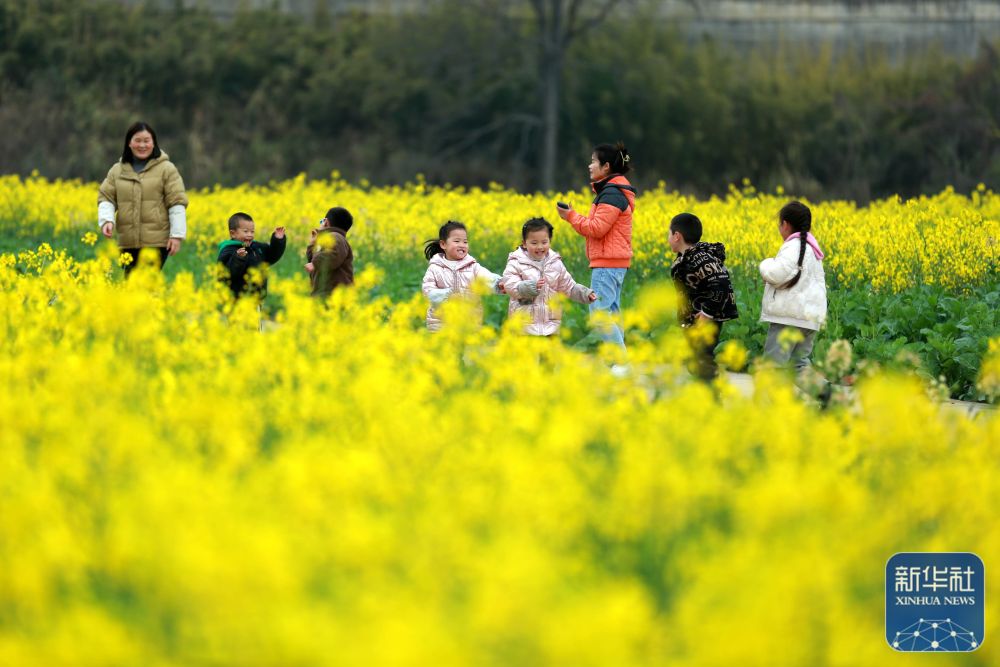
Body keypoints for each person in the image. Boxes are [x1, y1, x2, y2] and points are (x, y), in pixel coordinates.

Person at [555, 141, 636, 351]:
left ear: (606, 166)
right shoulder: (614, 192)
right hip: (615, 262)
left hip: (607, 263)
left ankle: (621, 362)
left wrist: (570, 216)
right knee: (612, 312)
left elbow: (596, 228)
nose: (589, 166)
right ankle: (617, 364)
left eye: (593, 161)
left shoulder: (611, 194)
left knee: (599, 314)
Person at [98, 121, 188, 275]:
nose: (142, 145)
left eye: (146, 141)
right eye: (137, 140)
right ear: (129, 143)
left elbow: (176, 203)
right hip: (127, 242)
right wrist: (106, 220)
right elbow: (107, 198)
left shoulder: (167, 169)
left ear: (154, 143)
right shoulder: (117, 170)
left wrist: (177, 236)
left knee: (146, 286)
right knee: (130, 288)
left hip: (156, 242)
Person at [668, 213, 739, 380]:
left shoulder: (700, 258)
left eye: (668, 234)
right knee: (695, 361)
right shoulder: (686, 258)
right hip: (695, 320)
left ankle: (712, 396)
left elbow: (720, 282)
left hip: (706, 320)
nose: (668, 238)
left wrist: (707, 313)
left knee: (702, 360)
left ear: (677, 236)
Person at [759, 201, 827, 369]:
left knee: (772, 367)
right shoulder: (811, 249)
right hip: (809, 320)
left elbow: (776, 273)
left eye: (779, 224)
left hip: (788, 319)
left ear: (786, 225)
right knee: (798, 366)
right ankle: (827, 394)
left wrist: (765, 264)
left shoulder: (793, 247)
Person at [500, 217, 596, 336]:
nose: (540, 247)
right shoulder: (516, 262)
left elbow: (568, 286)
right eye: (534, 243)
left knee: (550, 354)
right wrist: (528, 287)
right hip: (524, 325)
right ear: (524, 243)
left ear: (549, 241)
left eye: (544, 242)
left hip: (551, 325)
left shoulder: (556, 263)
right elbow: (510, 284)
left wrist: (584, 293)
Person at [421, 221, 503, 331]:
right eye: (457, 241)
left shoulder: (473, 267)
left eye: (465, 242)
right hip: (441, 326)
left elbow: (486, 278)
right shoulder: (435, 268)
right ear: (443, 244)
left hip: (468, 323)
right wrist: (447, 295)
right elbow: (427, 291)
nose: (462, 245)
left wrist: (499, 283)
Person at [216, 212, 286, 299]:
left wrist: (278, 241)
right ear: (233, 233)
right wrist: (238, 259)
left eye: (252, 232)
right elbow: (226, 274)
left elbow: (272, 256)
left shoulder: (256, 247)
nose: (250, 235)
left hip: (256, 300)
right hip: (237, 301)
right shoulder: (228, 250)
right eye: (245, 231)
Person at [305, 207, 355, 298]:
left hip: (333, 295)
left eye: (322, 221)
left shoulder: (336, 237)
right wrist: (313, 243)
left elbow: (333, 255)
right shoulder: (330, 239)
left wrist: (315, 263)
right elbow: (312, 259)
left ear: (326, 222)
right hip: (325, 294)